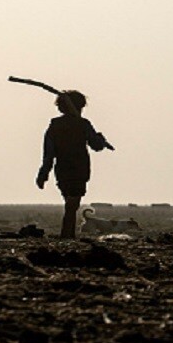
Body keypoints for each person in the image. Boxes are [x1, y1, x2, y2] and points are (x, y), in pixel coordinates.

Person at [35, 91, 113, 239]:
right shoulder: (83, 124)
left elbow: (48, 155)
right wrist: (100, 138)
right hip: (79, 169)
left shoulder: (55, 127)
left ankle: (68, 234)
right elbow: (96, 146)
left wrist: (43, 174)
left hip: (63, 170)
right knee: (72, 204)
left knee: (70, 203)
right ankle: (66, 234)